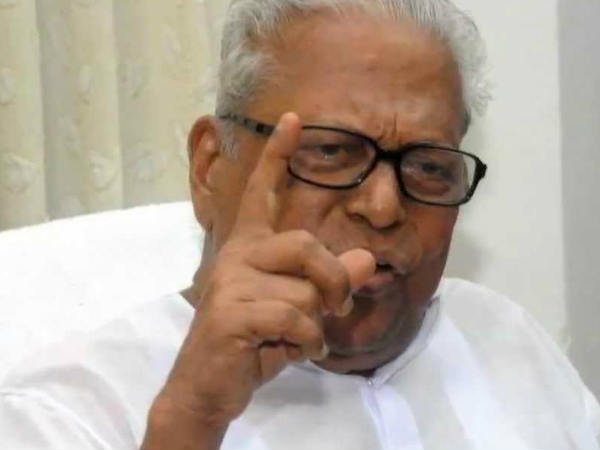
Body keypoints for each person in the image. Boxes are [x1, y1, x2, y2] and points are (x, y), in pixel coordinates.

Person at [1, 0, 599, 449]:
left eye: (428, 167)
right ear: (211, 167)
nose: (383, 207)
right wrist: (192, 422)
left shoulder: (504, 340)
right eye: (331, 152)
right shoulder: (68, 412)